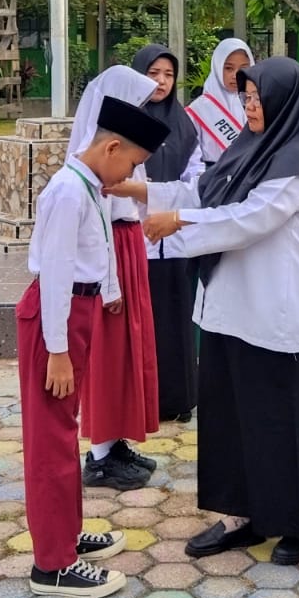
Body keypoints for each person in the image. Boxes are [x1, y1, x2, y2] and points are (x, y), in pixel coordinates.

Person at [139, 57, 299, 566]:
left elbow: (249, 219)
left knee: (284, 420)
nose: (250, 106)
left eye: (258, 99)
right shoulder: (248, 148)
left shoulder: (297, 165)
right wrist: (142, 190)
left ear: (284, 103)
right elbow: (207, 189)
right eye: (246, 97)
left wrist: (177, 221)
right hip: (230, 308)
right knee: (233, 416)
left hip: (275, 312)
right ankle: (241, 515)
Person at [21, 94, 168, 598]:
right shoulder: (68, 191)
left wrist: (107, 294)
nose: (129, 174)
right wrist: (57, 349)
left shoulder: (87, 186)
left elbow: (95, 247)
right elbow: (57, 271)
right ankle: (53, 565)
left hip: (75, 313)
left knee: (65, 428)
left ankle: (65, 536)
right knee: (53, 438)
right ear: (110, 147)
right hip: (55, 319)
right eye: (130, 163)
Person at [69, 66, 161, 492]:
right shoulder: (100, 159)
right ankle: (101, 455)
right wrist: (110, 282)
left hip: (128, 249)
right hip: (111, 259)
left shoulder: (125, 150)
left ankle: (115, 441)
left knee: (128, 349)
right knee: (109, 353)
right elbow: (97, 226)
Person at [130, 44, 204, 423]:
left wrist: (166, 199)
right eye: (153, 72)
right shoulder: (122, 119)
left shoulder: (185, 123)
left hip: (175, 240)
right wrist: (145, 198)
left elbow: (195, 181)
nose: (161, 81)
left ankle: (179, 399)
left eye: (168, 75)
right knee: (141, 324)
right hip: (134, 238)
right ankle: (141, 401)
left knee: (176, 320)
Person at [187, 39, 252, 164]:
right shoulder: (199, 109)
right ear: (217, 68)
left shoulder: (260, 103)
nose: (235, 75)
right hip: (213, 177)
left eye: (243, 68)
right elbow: (191, 157)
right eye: (228, 68)